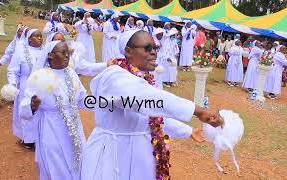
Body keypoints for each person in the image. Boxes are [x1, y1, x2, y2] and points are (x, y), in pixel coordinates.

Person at [81, 30, 224, 180]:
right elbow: (148, 99)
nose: (154, 52)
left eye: (156, 48)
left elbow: (155, 117)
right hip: (113, 154)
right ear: (128, 52)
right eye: (147, 48)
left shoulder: (144, 79)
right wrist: (198, 111)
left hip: (140, 155)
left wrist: (189, 131)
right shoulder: (114, 77)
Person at [20, 41, 88, 179]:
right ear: (50, 55)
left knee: (80, 159)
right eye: (62, 53)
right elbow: (24, 108)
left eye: (68, 53)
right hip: (52, 128)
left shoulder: (71, 73)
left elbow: (81, 99)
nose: (67, 56)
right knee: (57, 164)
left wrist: (105, 104)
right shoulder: (40, 76)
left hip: (75, 127)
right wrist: (33, 105)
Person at [7, 29, 44, 148]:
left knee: (40, 110)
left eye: (41, 36)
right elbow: (13, 71)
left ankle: (40, 136)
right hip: (25, 86)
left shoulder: (46, 51)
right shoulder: (21, 51)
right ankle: (28, 139)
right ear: (29, 39)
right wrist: (12, 84)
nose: (40, 38)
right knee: (28, 110)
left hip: (42, 86)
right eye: (36, 36)